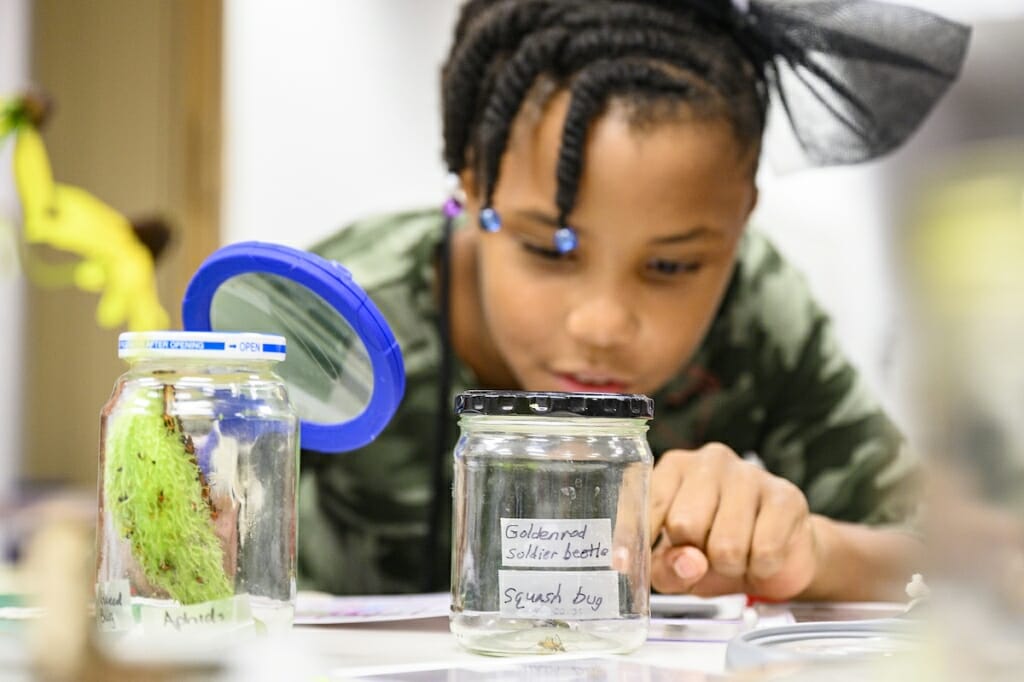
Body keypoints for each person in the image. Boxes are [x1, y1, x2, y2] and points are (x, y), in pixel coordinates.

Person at [296, 0, 969, 600]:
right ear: (473, 187)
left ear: (741, 218)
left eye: (671, 264)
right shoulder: (343, 312)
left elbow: (957, 561)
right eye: (550, 250)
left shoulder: (757, 314)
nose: (603, 325)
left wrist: (811, 552)